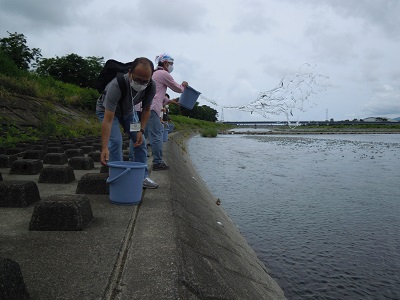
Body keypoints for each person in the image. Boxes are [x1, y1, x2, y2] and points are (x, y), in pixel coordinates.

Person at [96, 57, 158, 189]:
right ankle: (117, 178)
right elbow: (108, 120)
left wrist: (141, 130)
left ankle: (143, 177)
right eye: (137, 79)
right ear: (130, 73)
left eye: (144, 81)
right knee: (116, 141)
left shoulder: (151, 86)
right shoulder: (116, 85)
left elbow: (146, 109)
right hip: (106, 111)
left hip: (128, 113)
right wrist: (104, 148)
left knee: (139, 140)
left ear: (151, 77)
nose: (140, 83)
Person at [147, 53, 188, 171]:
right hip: (153, 109)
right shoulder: (163, 73)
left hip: (143, 108)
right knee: (157, 135)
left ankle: (134, 159)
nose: (171, 66)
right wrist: (184, 85)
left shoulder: (154, 73)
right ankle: (158, 162)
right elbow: (178, 89)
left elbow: (158, 94)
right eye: (171, 64)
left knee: (140, 134)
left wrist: (171, 101)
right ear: (165, 63)